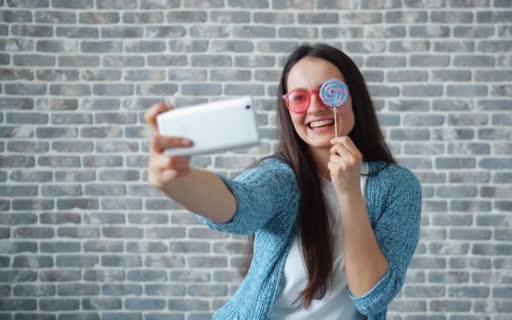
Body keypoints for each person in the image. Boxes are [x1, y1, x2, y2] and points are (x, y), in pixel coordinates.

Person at [145, 43, 422, 320]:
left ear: (353, 98)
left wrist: (349, 192)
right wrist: (180, 180)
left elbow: (372, 298)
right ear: (288, 109)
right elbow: (240, 205)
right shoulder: (280, 177)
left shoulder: (397, 187)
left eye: (329, 92)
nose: (315, 107)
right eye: (300, 98)